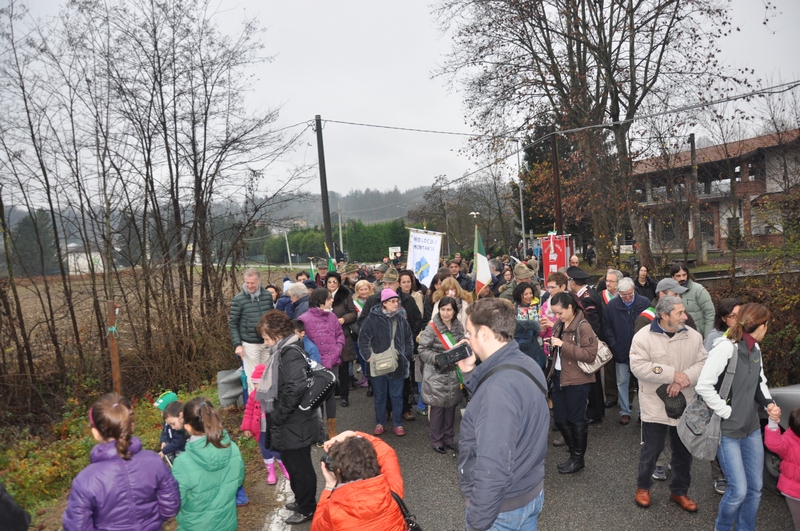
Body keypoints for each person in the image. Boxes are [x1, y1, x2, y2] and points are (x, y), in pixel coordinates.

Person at [456, 298, 549, 530]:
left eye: (470, 332)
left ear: (484, 333)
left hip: (503, 510)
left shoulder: (497, 391)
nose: (467, 339)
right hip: (530, 490)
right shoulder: (527, 364)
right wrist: (470, 372)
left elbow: (493, 466)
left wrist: (478, 521)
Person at [695, 303, 779, 530]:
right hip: (728, 431)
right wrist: (725, 411)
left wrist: (769, 404)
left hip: (751, 428)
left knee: (755, 489)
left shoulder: (756, 349)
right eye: (767, 324)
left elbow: (759, 382)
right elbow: (703, 385)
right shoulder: (726, 348)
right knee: (738, 490)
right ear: (760, 326)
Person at [629, 296, 707, 512]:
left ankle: (679, 491)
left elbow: (703, 362)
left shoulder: (694, 336)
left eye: (684, 311)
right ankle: (643, 487)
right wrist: (672, 374)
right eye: (679, 313)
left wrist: (685, 379)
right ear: (664, 316)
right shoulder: (643, 337)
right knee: (652, 449)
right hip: (655, 404)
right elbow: (638, 366)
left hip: (686, 402)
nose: (685, 316)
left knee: (683, 451)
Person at [63, 393, 180, 531]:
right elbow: (171, 504)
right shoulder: (154, 461)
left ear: (95, 432)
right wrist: (151, 521)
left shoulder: (85, 480)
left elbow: (77, 526)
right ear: (132, 425)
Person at [256, 310, 321, 525]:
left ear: (276, 334)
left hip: (294, 421)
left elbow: (296, 387)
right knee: (294, 464)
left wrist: (279, 414)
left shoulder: (289, 353)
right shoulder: (285, 350)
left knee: (300, 466)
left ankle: (307, 507)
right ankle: (302, 500)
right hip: (294, 421)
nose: (265, 343)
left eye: (266, 338)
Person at [170, 397, 244, 531]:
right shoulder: (232, 448)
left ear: (187, 427)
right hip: (227, 524)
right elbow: (237, 481)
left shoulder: (182, 463)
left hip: (195, 526)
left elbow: (176, 502)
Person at [311, 430, 406, 531]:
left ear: (338, 470)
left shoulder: (333, 511)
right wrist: (353, 433)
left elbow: (316, 528)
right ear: (373, 460)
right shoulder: (392, 489)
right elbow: (387, 453)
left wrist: (329, 487)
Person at [547, 291, 598, 474]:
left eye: (560, 312)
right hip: (559, 376)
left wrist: (563, 345)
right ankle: (573, 452)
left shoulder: (583, 326)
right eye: (555, 313)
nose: (557, 316)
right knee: (560, 419)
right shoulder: (559, 324)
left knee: (577, 419)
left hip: (577, 380)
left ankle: (578, 458)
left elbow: (590, 355)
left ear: (570, 307)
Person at [358, 288, 414, 437]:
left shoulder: (401, 319)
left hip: (398, 365)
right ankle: (380, 423)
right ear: (384, 303)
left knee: (397, 395)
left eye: (397, 301)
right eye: (392, 301)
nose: (396, 304)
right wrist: (368, 357)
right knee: (380, 395)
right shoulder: (372, 319)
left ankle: (397, 424)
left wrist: (406, 355)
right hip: (378, 365)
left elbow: (409, 339)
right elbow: (363, 339)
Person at [418, 296, 466, 454]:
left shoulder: (459, 326)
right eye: (443, 309)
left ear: (454, 311)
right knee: (438, 409)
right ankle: (436, 440)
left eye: (449, 310)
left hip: (453, 373)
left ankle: (448, 438)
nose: (445, 313)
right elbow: (422, 350)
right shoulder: (432, 327)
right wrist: (439, 359)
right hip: (436, 373)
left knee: (451, 407)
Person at [298, 288, 346, 439]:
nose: (332, 300)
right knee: (317, 396)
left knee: (331, 396)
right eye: (329, 298)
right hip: (315, 364)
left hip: (333, 362)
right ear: (321, 301)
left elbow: (340, 335)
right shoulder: (304, 319)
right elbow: (300, 341)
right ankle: (318, 430)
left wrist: (337, 349)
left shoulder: (332, 316)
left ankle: (332, 429)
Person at [603, 277, 650, 425]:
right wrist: (614, 345)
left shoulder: (645, 302)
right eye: (624, 295)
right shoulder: (612, 306)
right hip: (621, 349)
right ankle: (624, 411)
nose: (628, 297)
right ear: (618, 293)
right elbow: (607, 327)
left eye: (630, 294)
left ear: (634, 290)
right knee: (622, 381)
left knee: (643, 383)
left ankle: (644, 412)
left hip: (642, 351)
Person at [567, 265, 606, 424]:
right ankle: (597, 410)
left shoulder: (586, 298)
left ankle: (595, 412)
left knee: (592, 378)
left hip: (589, 343)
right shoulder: (589, 293)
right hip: (591, 342)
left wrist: (588, 343)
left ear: (574, 282)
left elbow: (593, 324)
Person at [240, 364, 290, 485]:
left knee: (278, 449)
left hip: (273, 428)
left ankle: (284, 468)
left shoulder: (274, 394)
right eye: (254, 384)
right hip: (260, 429)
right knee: (265, 450)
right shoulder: (253, 395)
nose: (256, 386)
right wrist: (246, 427)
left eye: (258, 383)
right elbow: (248, 411)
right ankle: (271, 472)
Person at [229, 267, 274, 392]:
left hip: (267, 343)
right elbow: (233, 323)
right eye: (247, 282)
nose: (249, 286)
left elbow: (271, 318)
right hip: (249, 343)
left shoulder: (266, 296)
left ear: (259, 281)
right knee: (253, 379)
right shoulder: (238, 300)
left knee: (267, 376)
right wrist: (238, 345)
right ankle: (255, 408)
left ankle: (268, 408)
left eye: (252, 283)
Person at [764, 406, 800, 531]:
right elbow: (774, 443)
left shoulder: (790, 437)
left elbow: (775, 443)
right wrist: (773, 422)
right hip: (794, 493)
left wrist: (773, 423)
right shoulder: (789, 440)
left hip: (792, 491)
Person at [325, 271, 358, 408]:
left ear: (338, 282)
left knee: (343, 367)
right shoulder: (321, 294)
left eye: (334, 281)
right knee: (329, 366)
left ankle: (344, 395)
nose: (332, 284)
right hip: (326, 335)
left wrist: (344, 319)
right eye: (329, 282)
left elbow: (353, 313)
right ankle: (334, 391)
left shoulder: (345, 295)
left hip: (342, 334)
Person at [670, 263, 715, 338]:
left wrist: (707, 337)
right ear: (672, 277)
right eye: (678, 276)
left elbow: (710, 314)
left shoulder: (698, 290)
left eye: (684, 275)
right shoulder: (670, 292)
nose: (682, 278)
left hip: (698, 334)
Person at [512, 281, 545, 371]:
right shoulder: (514, 309)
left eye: (530, 293)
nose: (529, 296)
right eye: (525, 294)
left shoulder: (537, 308)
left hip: (535, 346)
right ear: (519, 295)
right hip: (520, 346)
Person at [154, 392, 186, 464]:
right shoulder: (168, 422)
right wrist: (163, 441)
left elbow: (178, 441)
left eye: (162, 411)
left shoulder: (180, 427)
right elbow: (164, 431)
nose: (161, 414)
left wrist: (164, 451)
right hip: (172, 448)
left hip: (182, 450)